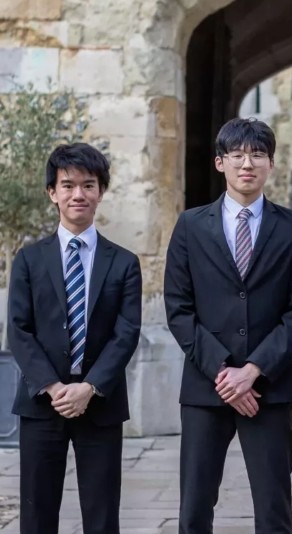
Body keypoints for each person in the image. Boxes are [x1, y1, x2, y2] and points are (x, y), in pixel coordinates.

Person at [164, 117, 292, 533]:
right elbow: (178, 308)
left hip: (269, 387)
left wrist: (252, 371)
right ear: (220, 162)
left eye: (257, 155)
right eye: (237, 155)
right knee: (195, 508)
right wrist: (223, 372)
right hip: (205, 387)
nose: (247, 164)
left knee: (273, 508)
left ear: (271, 164)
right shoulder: (191, 225)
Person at [8, 143, 142, 534]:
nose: (78, 194)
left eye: (88, 185)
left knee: (102, 515)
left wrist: (89, 387)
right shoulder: (29, 260)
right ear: (52, 192)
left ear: (101, 191)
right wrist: (53, 387)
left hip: (100, 403)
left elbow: (126, 333)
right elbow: (18, 330)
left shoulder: (124, 262)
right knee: (37, 515)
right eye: (67, 185)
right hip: (41, 403)